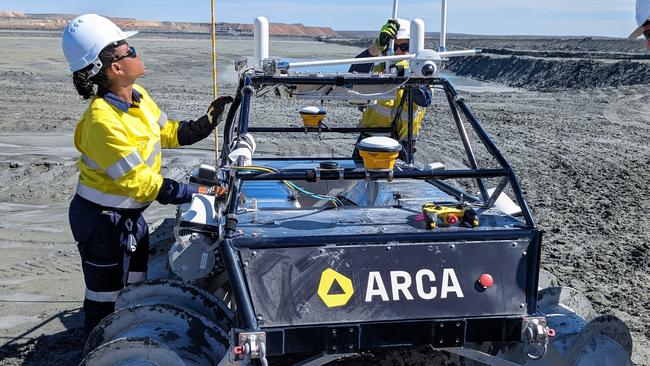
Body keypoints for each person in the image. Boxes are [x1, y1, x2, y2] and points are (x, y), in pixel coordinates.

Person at [61, 14, 232, 335]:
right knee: (104, 294)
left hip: (128, 217)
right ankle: (100, 344)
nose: (138, 55)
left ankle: (128, 330)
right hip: (101, 223)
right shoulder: (102, 122)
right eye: (132, 51)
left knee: (134, 285)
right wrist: (195, 193)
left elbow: (166, 132)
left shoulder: (139, 98)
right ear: (115, 68)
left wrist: (203, 124)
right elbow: (139, 183)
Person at [349, 19, 432, 158]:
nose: (398, 51)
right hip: (370, 142)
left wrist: (411, 75)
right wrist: (377, 46)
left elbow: (425, 99)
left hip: (403, 147)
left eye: (404, 46)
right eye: (392, 46)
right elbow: (352, 76)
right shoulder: (375, 69)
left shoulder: (419, 73)